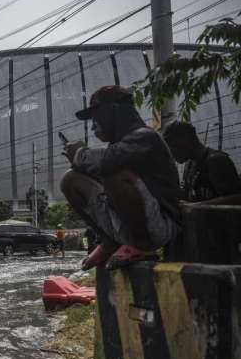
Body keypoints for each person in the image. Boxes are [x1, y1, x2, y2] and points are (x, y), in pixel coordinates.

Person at [60, 85, 182, 270]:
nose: (93, 125)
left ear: (113, 111)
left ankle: (143, 247)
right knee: (71, 180)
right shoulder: (120, 145)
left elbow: (110, 161)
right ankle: (110, 242)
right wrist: (80, 165)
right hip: (127, 223)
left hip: (160, 225)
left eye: (96, 117)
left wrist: (80, 155)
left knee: (116, 174)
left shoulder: (145, 137)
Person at [163, 120, 241, 205]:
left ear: (186, 139)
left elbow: (238, 198)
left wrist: (195, 206)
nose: (171, 153)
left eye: (173, 146)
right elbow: (188, 195)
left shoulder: (216, 161)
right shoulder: (189, 165)